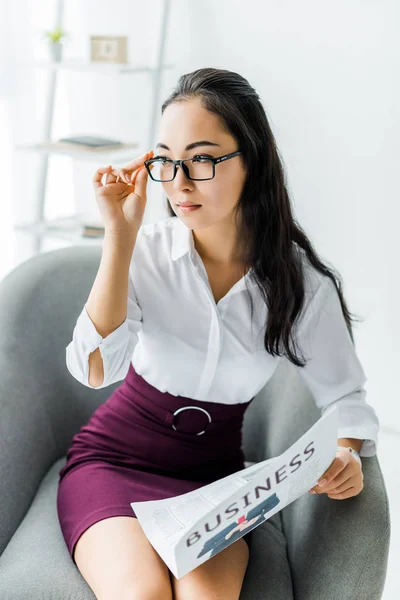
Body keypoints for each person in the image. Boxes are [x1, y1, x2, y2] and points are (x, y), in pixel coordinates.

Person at [57, 67, 380, 600]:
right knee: (141, 595)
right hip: (114, 463)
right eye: (166, 160)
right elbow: (96, 370)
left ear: (250, 160)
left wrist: (345, 451)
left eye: (202, 159)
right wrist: (120, 234)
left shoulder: (302, 285)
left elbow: (346, 397)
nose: (179, 182)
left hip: (216, 487)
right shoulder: (147, 252)